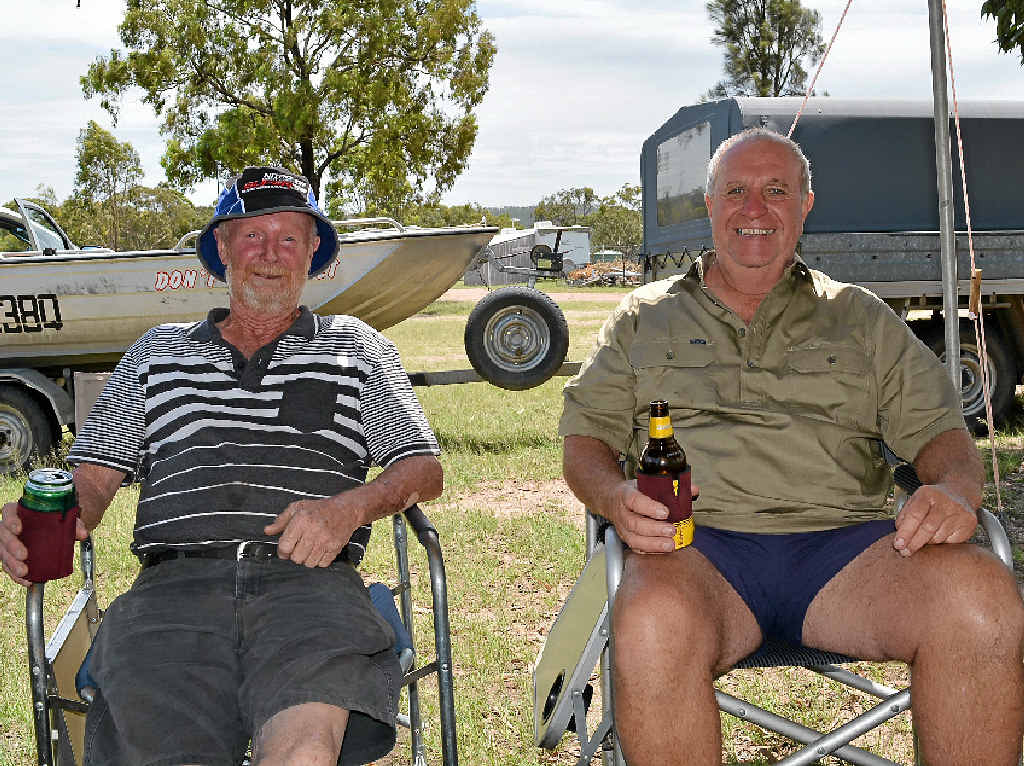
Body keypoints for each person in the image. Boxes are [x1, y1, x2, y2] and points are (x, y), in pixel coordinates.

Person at [559, 129, 1023, 765]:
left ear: (806, 204)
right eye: (737, 192)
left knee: (982, 599)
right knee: (651, 621)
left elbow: (940, 432)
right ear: (710, 203)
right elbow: (585, 439)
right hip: (697, 554)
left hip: (850, 556)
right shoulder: (643, 318)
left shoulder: (859, 316)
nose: (755, 210)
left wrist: (954, 489)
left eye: (776, 191)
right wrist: (614, 496)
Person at [0, 166, 443, 766]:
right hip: (171, 595)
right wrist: (44, 517)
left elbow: (421, 468)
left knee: (304, 753)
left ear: (314, 252)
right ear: (222, 249)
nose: (270, 254)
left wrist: (349, 509)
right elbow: (93, 481)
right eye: (253, 236)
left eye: (289, 238)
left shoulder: (359, 346)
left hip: (309, 591)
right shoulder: (157, 351)